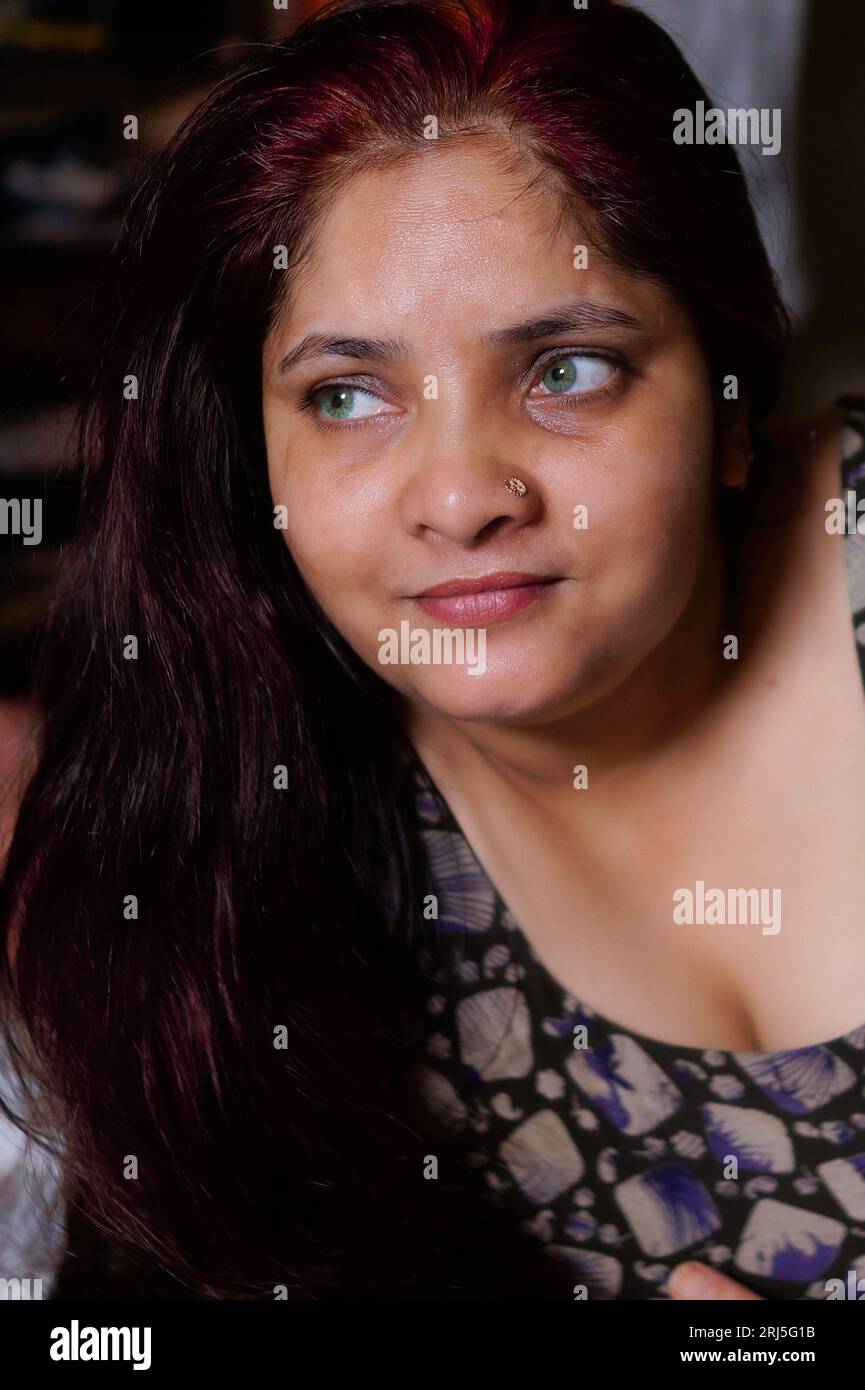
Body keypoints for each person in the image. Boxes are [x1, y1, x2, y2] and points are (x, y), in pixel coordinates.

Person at [2, 0, 864, 1301]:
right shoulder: (242, 872)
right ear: (257, 464)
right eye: (347, 396)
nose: (460, 495)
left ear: (732, 407)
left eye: (567, 369)